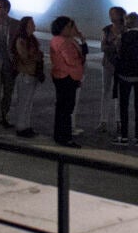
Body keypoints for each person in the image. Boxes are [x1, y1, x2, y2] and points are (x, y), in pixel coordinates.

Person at [114, 13, 138, 146]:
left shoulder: (121, 37)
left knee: (124, 105)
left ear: (126, 23)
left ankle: (124, 136)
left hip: (125, 75)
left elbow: (118, 54)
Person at [50, 16, 85, 147]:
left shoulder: (59, 40)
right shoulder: (64, 42)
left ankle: (60, 135)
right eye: (70, 26)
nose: (72, 29)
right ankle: (65, 137)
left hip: (62, 76)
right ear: (63, 27)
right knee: (66, 109)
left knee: (62, 108)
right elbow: (71, 60)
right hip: (67, 77)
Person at [11, 16, 44, 137]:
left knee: (28, 103)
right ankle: (21, 126)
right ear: (26, 26)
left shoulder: (31, 39)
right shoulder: (21, 40)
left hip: (32, 74)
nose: (34, 25)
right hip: (25, 74)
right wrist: (36, 56)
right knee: (23, 102)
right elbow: (24, 56)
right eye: (32, 23)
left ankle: (26, 125)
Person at [0, 0, 19, 129]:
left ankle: (3, 116)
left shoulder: (15, 24)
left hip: (9, 63)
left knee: (8, 92)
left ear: (7, 9)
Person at [99, 6, 126, 136]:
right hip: (108, 63)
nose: (111, 16)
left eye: (113, 14)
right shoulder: (107, 30)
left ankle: (119, 121)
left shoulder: (126, 30)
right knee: (106, 91)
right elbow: (102, 47)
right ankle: (103, 120)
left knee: (120, 93)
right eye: (110, 14)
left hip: (121, 64)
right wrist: (113, 45)